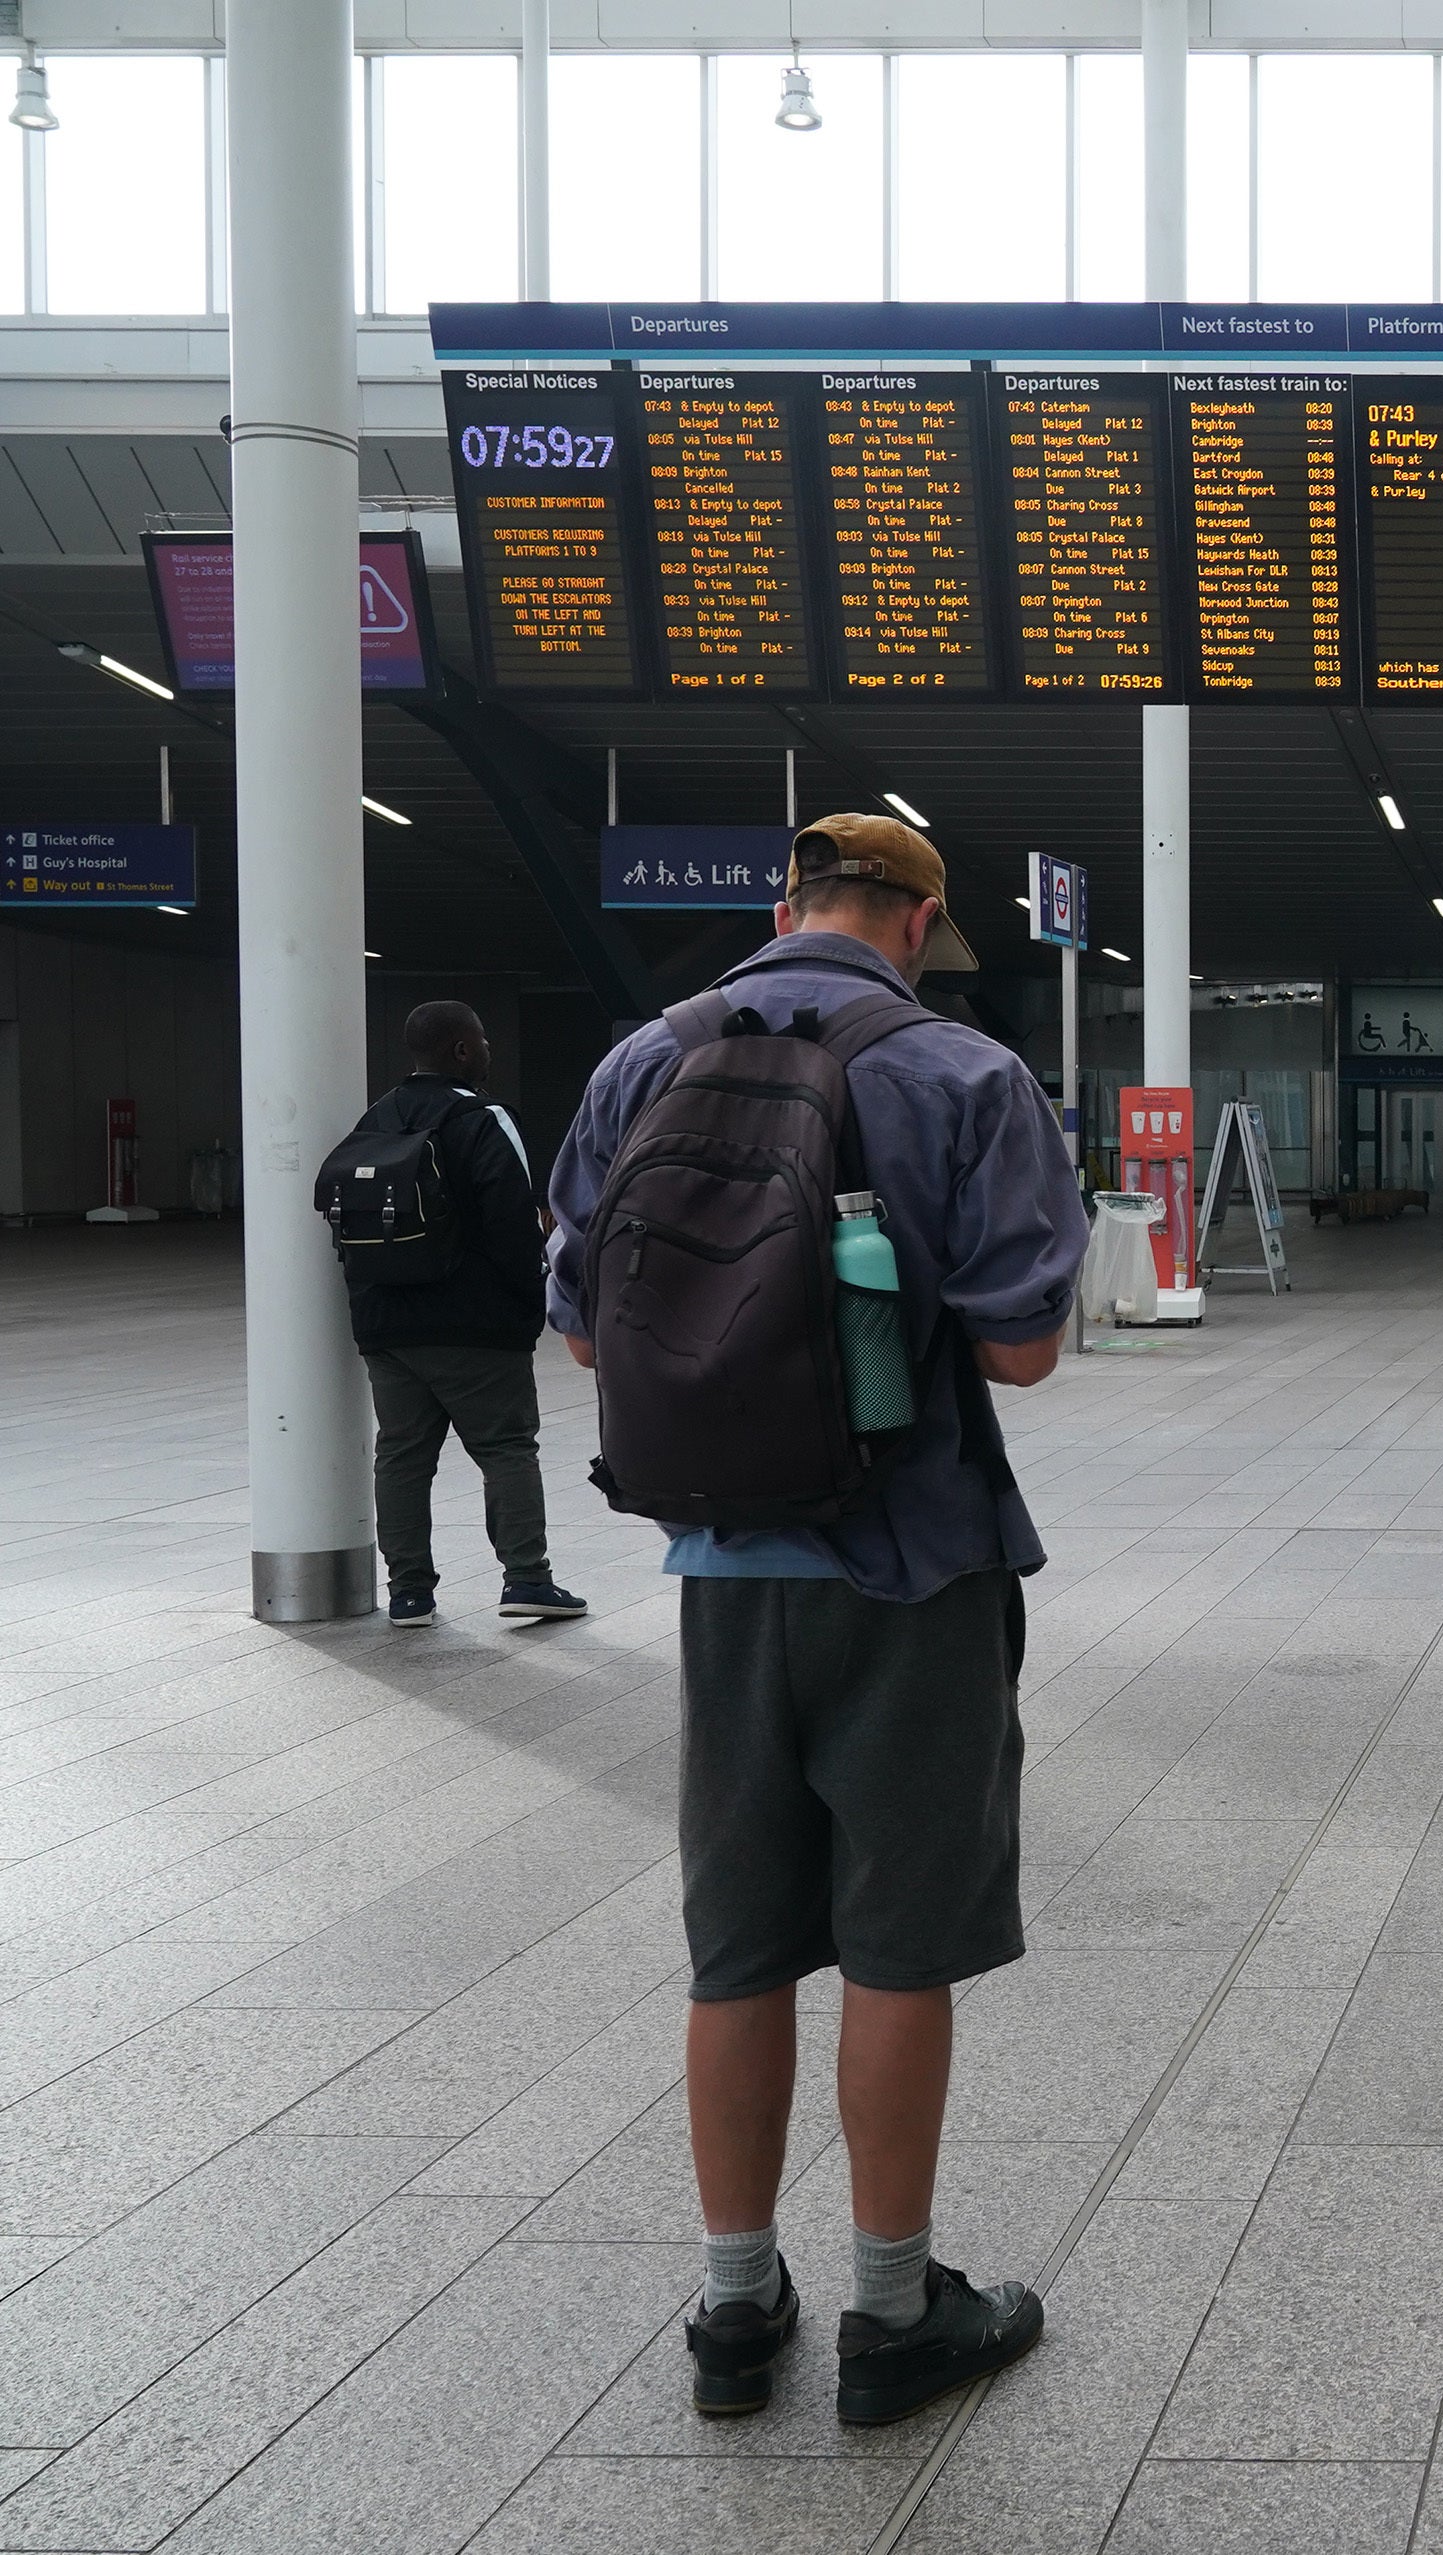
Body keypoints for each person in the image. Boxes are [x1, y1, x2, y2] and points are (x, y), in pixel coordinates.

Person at [546, 814, 1085, 2424]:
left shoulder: (648, 1056)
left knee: (740, 1948)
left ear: (783, 906)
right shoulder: (964, 1075)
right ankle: (893, 2307)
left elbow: (583, 1334)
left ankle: (731, 2309)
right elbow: (1023, 1352)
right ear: (916, 921)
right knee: (896, 1948)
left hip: (721, 1570)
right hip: (911, 1565)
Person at [345, 1001, 583, 1626]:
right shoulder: (483, 1117)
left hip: (386, 1324)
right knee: (506, 1448)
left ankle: (409, 1594)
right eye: (480, 1040)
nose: (486, 1049)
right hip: (474, 1325)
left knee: (401, 1455)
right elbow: (514, 1225)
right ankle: (527, 1578)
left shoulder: (374, 1119)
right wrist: (529, 1310)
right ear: (460, 1051)